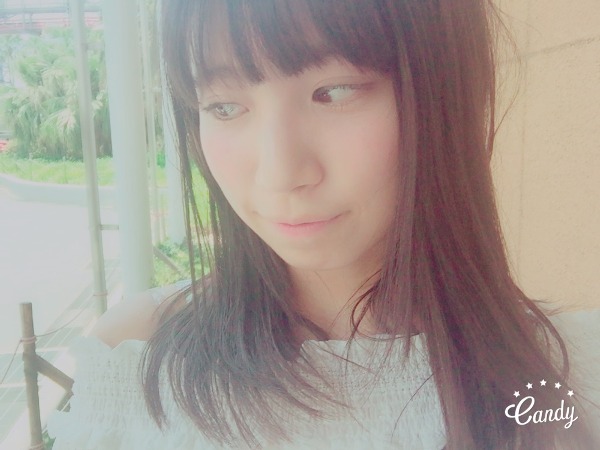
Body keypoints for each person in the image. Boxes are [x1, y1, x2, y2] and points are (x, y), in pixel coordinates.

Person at [48, 0, 600, 448]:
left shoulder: (563, 379)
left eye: (333, 92)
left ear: (445, 92)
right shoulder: (135, 359)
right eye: (223, 107)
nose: (280, 173)